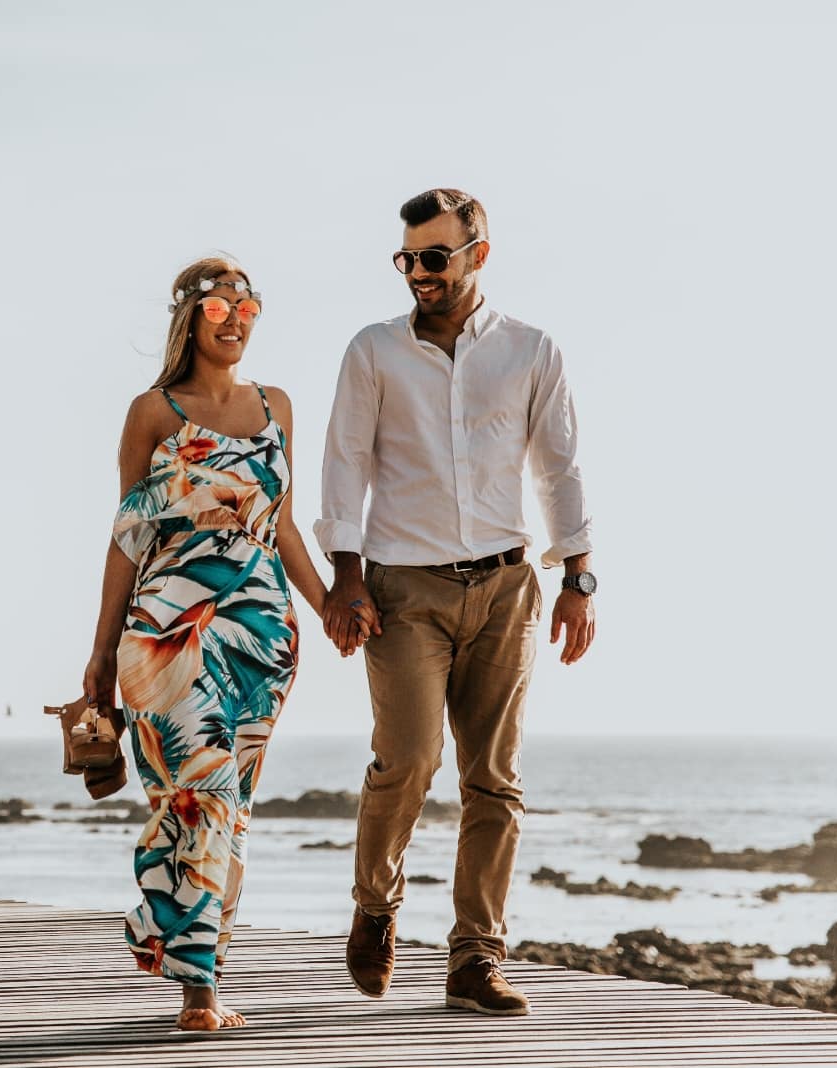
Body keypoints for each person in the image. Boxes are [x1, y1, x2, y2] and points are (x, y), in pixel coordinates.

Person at [316, 189, 596, 1017]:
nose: (418, 273)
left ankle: (476, 957)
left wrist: (579, 577)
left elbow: (559, 466)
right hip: (403, 589)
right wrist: (345, 577)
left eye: (434, 257)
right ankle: (376, 904)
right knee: (407, 760)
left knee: (495, 780)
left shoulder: (530, 350)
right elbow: (345, 463)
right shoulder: (373, 350)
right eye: (406, 259)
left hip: (507, 588)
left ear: (478, 254)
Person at [83, 256, 329, 1032]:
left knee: (230, 808)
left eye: (246, 307)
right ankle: (199, 990)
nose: (235, 319)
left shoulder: (277, 405)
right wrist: (99, 654)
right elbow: (127, 536)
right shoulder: (152, 413)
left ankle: (183, 945)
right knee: (202, 796)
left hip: (263, 640)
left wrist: (329, 607)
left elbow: (282, 525)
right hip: (167, 636)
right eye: (220, 307)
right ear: (189, 318)